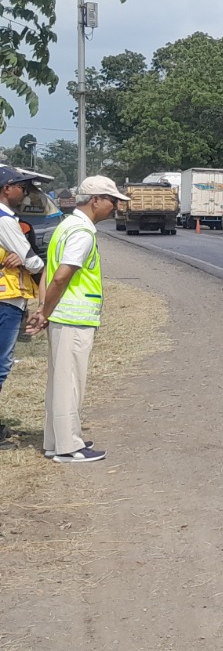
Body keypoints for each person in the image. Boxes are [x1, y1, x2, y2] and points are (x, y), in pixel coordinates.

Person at [27, 175, 130, 463]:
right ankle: (69, 447)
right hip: (73, 317)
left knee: (60, 381)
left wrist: (43, 308)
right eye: (112, 200)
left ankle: (56, 440)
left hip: (63, 315)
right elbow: (61, 275)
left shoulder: (66, 226)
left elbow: (49, 269)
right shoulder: (82, 233)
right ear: (95, 200)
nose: (115, 207)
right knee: (71, 382)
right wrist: (45, 311)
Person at [0, 166, 47, 450]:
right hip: (6, 302)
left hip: (9, 298)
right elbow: (32, 261)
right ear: (7, 188)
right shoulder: (5, 220)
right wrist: (37, 264)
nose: (25, 192)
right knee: (1, 366)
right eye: (21, 186)